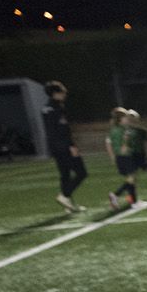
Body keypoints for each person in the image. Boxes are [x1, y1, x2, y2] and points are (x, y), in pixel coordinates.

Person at [43, 81, 88, 212]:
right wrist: (71, 145)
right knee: (81, 172)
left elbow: (51, 131)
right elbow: (62, 130)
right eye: (62, 91)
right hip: (64, 146)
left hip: (55, 147)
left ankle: (69, 205)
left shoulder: (46, 108)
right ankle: (65, 195)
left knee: (65, 175)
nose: (65, 94)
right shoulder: (57, 108)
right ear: (55, 93)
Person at [104, 107, 137, 210]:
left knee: (131, 179)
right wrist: (126, 141)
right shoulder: (122, 130)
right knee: (131, 179)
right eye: (125, 117)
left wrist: (112, 157)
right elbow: (124, 147)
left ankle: (133, 201)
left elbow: (108, 143)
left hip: (119, 157)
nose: (127, 119)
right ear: (120, 119)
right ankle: (116, 195)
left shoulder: (113, 129)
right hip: (125, 157)